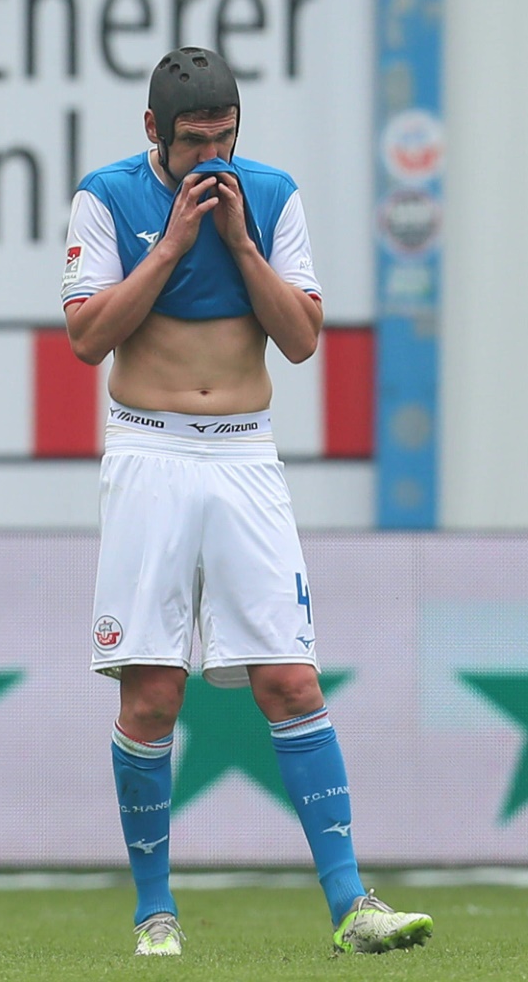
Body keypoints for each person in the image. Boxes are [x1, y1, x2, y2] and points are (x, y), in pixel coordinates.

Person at [61, 46, 433, 958]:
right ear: (154, 132)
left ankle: (352, 906)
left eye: (224, 139)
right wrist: (175, 243)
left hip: (244, 456)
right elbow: (86, 337)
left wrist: (235, 240)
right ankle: (156, 913)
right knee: (151, 693)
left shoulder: (270, 195)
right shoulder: (106, 197)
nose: (211, 160)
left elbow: (303, 339)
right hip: (148, 451)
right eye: (194, 144)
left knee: (291, 678)